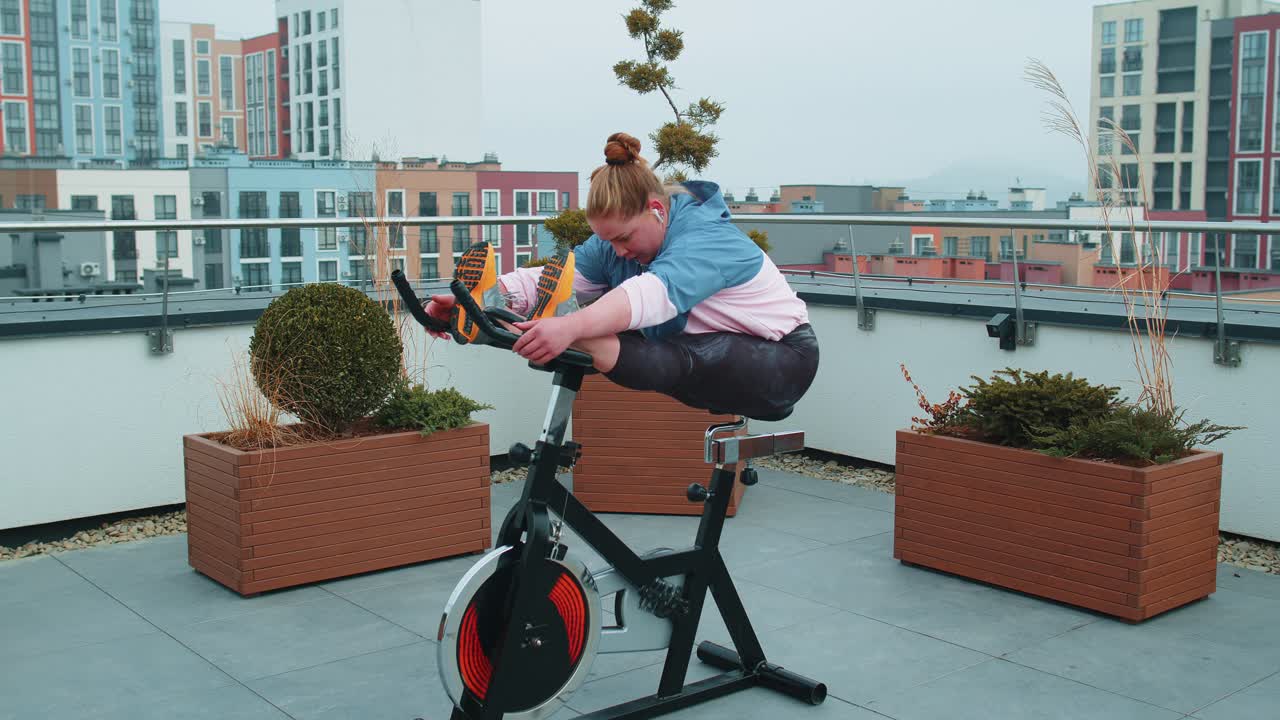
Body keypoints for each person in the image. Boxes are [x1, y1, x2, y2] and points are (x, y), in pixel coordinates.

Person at [425, 132, 819, 421]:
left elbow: (650, 295)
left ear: (656, 210)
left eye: (624, 237)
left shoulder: (706, 237)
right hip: (702, 347)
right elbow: (562, 276)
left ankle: (566, 328)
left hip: (783, 360)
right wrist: (482, 300)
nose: (618, 251)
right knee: (623, 340)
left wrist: (570, 326)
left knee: (649, 348)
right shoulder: (617, 244)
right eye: (607, 240)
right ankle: (501, 308)